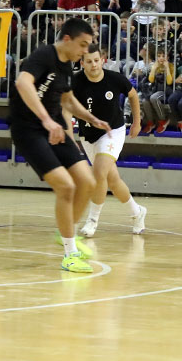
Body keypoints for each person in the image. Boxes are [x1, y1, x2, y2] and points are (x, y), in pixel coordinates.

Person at [11, 17, 112, 273]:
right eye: (83, 45)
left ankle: (65, 233)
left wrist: (91, 118)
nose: (85, 51)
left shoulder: (67, 65)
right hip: (29, 130)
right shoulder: (43, 55)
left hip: (54, 128)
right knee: (66, 187)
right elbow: (22, 83)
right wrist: (46, 119)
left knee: (87, 182)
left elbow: (67, 100)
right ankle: (70, 254)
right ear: (67, 39)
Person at [73, 44, 147, 238]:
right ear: (82, 63)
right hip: (88, 136)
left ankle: (92, 221)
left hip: (112, 132)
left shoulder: (114, 79)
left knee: (98, 173)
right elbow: (66, 107)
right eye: (89, 61)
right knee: (112, 181)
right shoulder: (75, 82)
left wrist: (137, 122)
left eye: (96, 60)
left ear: (103, 60)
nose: (94, 65)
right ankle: (137, 212)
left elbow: (133, 95)